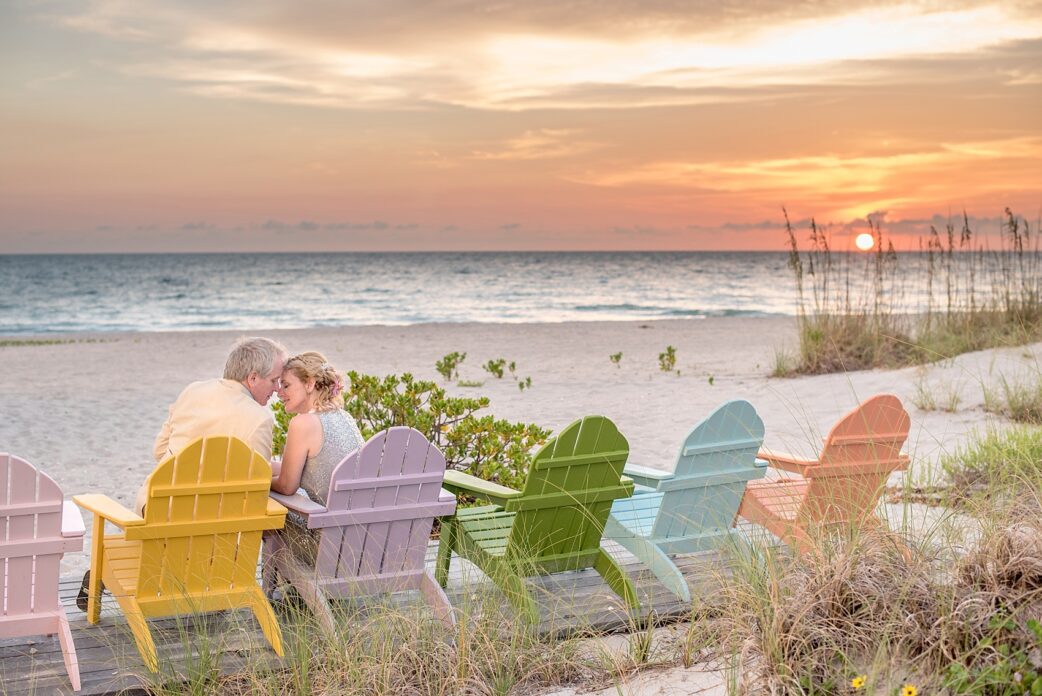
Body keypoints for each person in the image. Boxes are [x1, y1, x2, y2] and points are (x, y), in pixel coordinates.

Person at [77, 336, 289, 612]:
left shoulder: (194, 391)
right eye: (274, 381)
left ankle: (106, 570)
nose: (276, 389)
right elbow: (256, 488)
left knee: (169, 531)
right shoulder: (259, 420)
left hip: (156, 511)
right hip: (216, 528)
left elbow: (159, 450)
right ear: (252, 378)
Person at [269, 351, 364, 563]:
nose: (279, 392)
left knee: (270, 503)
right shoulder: (343, 416)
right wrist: (267, 467)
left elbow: (286, 486)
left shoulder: (303, 423)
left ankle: (279, 587)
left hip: (326, 547)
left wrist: (259, 480)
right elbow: (312, 468)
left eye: (286, 385)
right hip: (360, 541)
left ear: (310, 384)